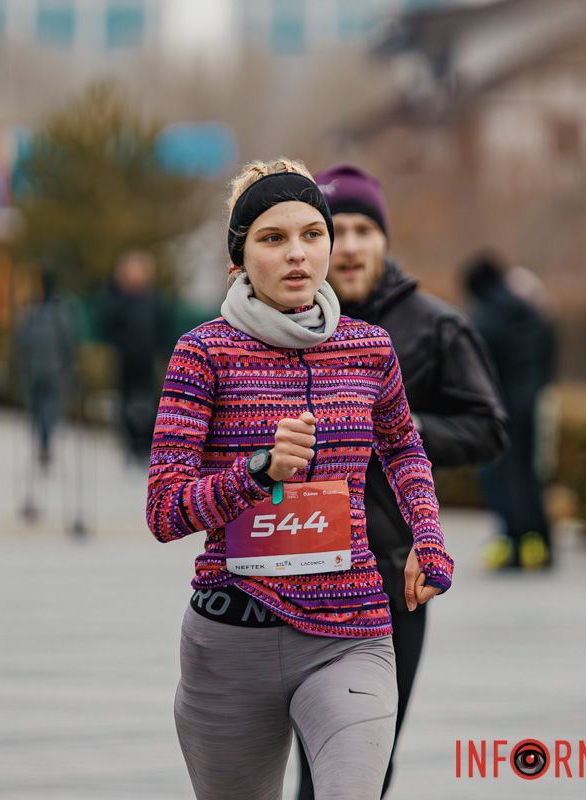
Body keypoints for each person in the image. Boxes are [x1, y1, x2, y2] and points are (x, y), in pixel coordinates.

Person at [147, 159, 454, 800]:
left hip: (352, 632)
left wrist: (428, 538)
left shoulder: (369, 348)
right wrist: (256, 473)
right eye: (272, 237)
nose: (297, 254)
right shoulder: (202, 353)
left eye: (313, 234)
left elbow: (403, 448)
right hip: (233, 636)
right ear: (238, 259)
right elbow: (165, 511)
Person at [289, 164, 507, 799]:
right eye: (338, 231)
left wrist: (395, 427)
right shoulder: (285, 321)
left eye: (365, 229)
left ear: (384, 237)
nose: (352, 246)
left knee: (360, 758)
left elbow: (488, 428)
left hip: (388, 577)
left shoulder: (434, 326)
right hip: (288, 568)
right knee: (300, 758)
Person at [463, 252, 555, 570]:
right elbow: (547, 352)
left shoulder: (483, 317)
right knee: (528, 475)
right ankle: (540, 541)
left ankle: (512, 540)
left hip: (498, 412)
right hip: (531, 406)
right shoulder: (530, 312)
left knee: (496, 475)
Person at [102, 250, 167, 466]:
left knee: (150, 404)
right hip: (126, 359)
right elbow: (110, 326)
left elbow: (161, 326)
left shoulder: (153, 298)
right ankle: (130, 444)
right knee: (126, 404)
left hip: (147, 359)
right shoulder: (119, 298)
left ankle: (145, 444)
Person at [13, 269, 76, 471]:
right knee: (45, 410)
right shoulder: (59, 315)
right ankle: (45, 443)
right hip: (48, 371)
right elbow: (69, 344)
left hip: (41, 371)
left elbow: (21, 344)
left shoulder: (33, 315)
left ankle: (45, 443)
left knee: (42, 410)